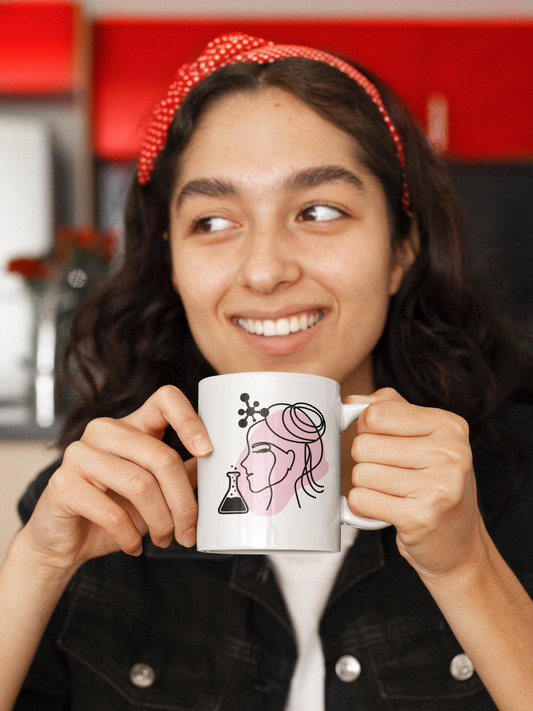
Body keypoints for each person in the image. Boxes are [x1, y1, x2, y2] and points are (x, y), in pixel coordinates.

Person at [1, 31, 533, 710]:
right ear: (170, 260)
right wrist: (35, 567)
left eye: (318, 211)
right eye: (213, 221)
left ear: (401, 248)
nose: (264, 270)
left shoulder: (515, 481)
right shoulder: (94, 503)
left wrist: (467, 568)